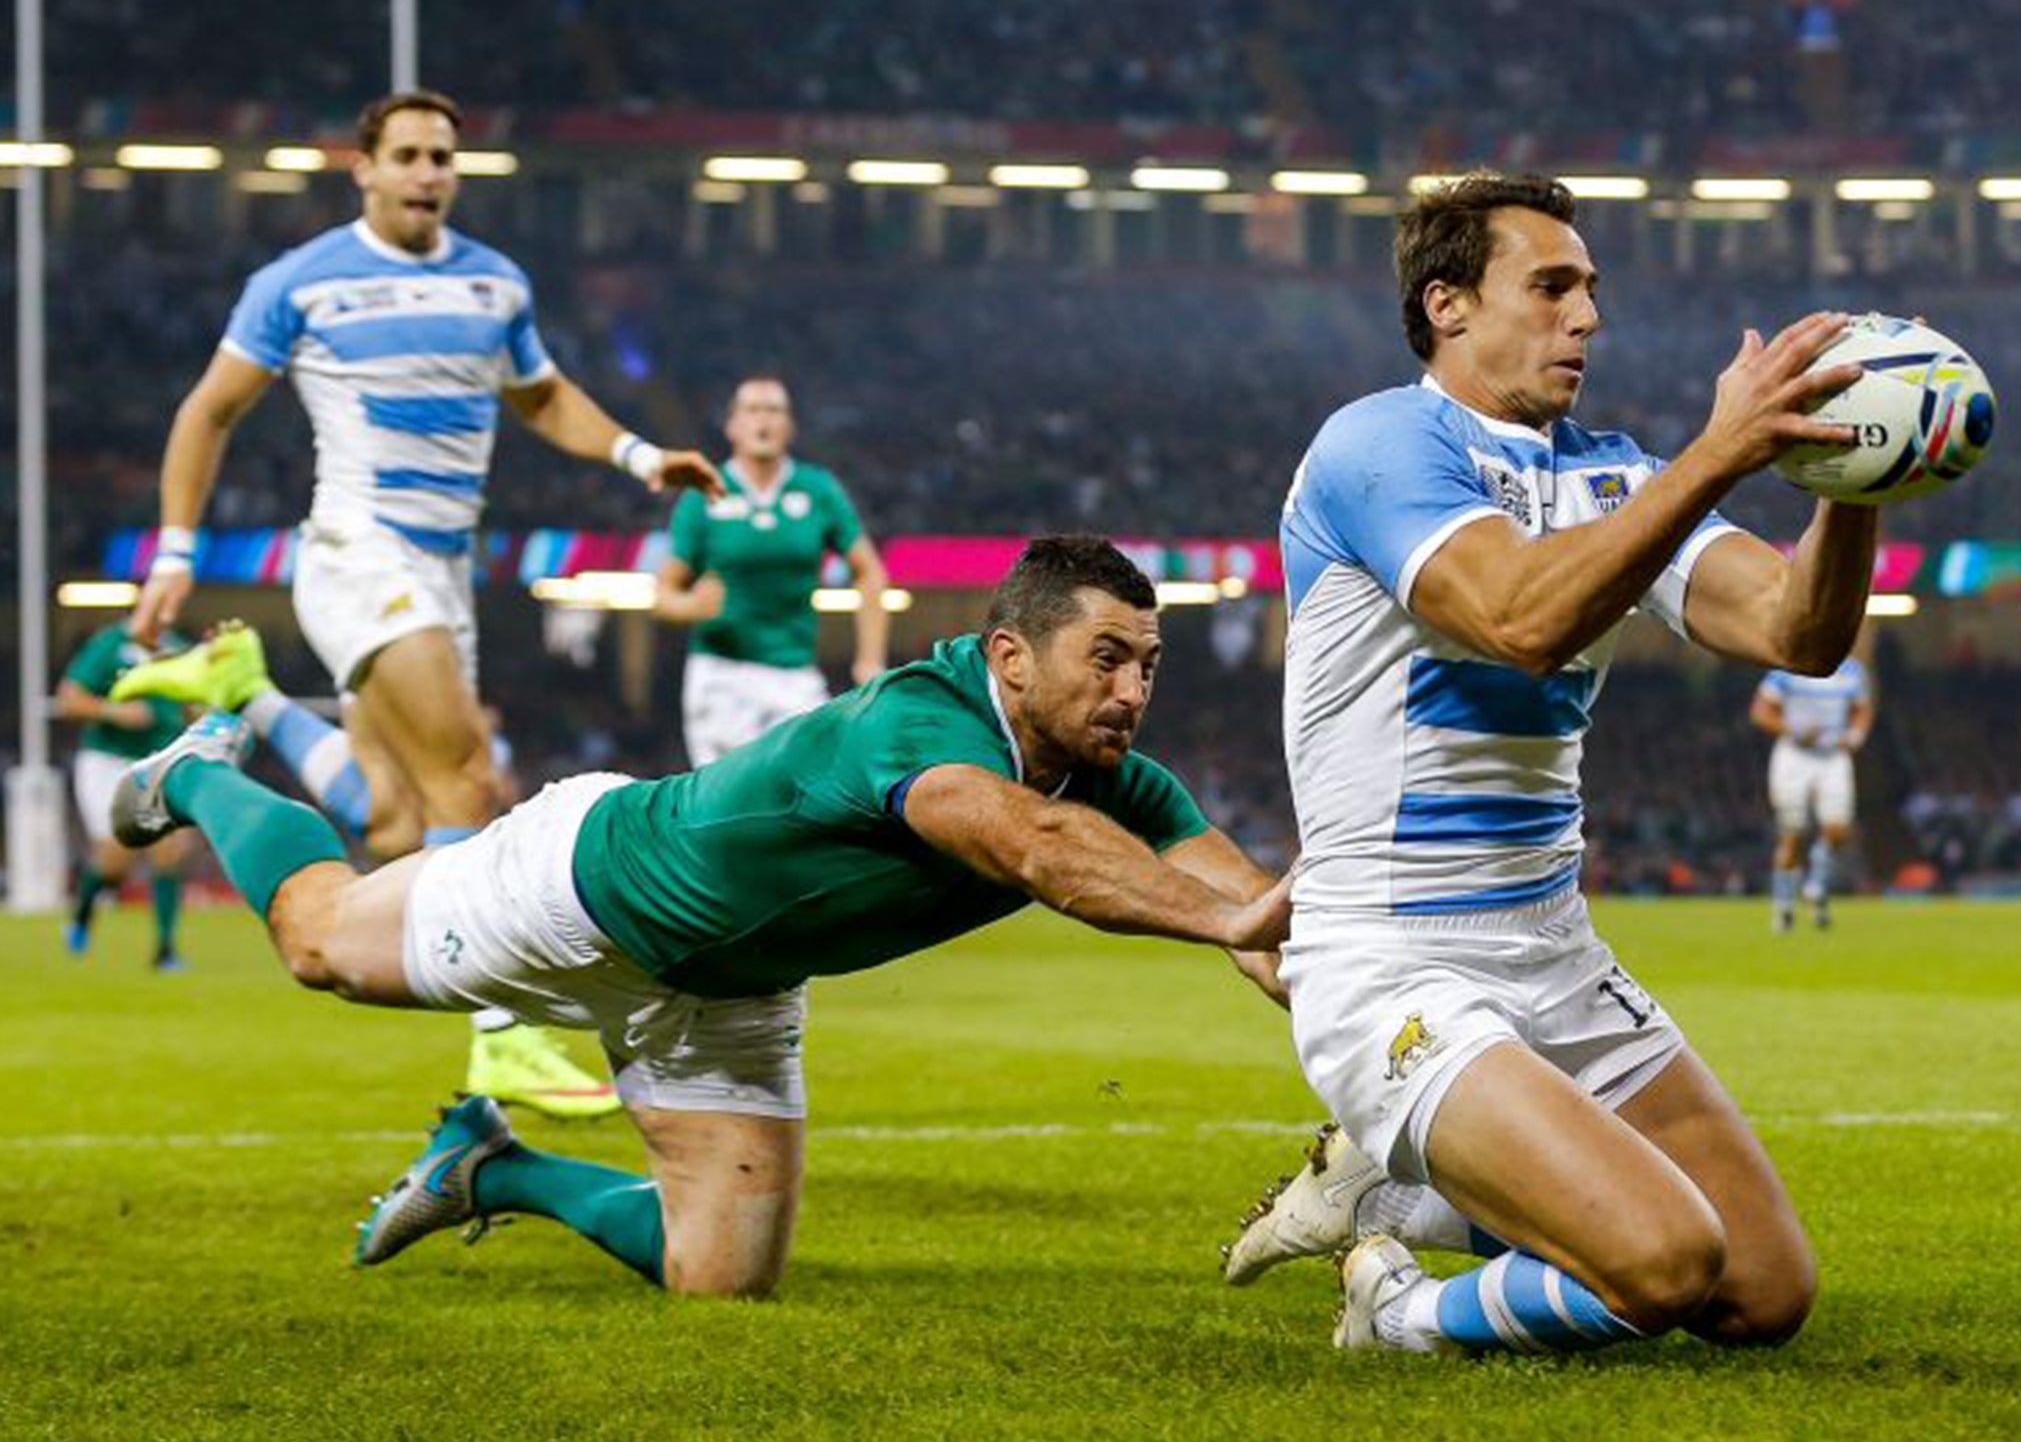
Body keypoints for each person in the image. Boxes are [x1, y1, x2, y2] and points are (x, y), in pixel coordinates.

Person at [108, 536, 1289, 1296]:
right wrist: (1227, 926)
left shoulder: (1119, 775)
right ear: (1010, 658)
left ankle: (491, 1167)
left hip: (730, 991)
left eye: (1148, 663)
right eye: (1107, 657)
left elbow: (1249, 902)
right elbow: (1036, 850)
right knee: (317, 939)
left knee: (716, 1277)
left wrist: (1323, 971)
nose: (1132, 690)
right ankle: (206, 767)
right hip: (581, 889)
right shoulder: (919, 723)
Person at [1221, 173, 1874, 1358]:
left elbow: (1798, 633)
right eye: (1551, 286)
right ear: (1448, 305)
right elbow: (1515, 620)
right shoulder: (1375, 444)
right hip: (1390, 957)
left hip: (1553, 951)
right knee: (1666, 1263)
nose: (1586, 317)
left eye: (1590, 292)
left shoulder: (1613, 474)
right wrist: (1717, 456)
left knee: (1763, 1293)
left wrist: (1854, 479)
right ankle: (1398, 1312)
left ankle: (1388, 1196)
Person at [119, 88, 720, 1118]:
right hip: (359, 552)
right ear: (365, 168)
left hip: (443, 570)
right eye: (406, 154)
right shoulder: (301, 283)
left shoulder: (494, 284)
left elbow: (540, 395)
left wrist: (635, 454)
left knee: (393, 816)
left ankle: (241, 710)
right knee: (464, 779)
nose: (427, 172)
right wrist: (174, 551)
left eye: (442, 155)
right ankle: (504, 1044)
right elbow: (207, 410)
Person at [654, 374, 891, 766]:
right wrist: (690, 607)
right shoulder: (703, 494)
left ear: (790, 427)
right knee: (730, 814)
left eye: (774, 410)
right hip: (721, 677)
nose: (763, 420)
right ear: (731, 426)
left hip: (795, 675)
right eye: (752, 410)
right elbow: (663, 594)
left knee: (813, 797)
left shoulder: (818, 489)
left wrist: (870, 660)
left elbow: (870, 572)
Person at [53, 620, 195, 969]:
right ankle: (82, 915)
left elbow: (192, 705)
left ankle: (165, 950)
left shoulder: (179, 648)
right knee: (116, 858)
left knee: (170, 849)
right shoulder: (110, 643)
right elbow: (68, 699)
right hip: (107, 761)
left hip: (158, 760)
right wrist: (115, 711)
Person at [1750, 655, 1873, 932]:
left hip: (1833, 756)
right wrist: (1793, 730)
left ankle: (1816, 882)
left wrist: (1855, 736)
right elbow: (1761, 711)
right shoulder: (1788, 668)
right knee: (1792, 832)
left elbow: (1862, 709)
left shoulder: (1851, 670)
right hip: (1795, 755)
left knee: (1838, 829)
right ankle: (1783, 907)